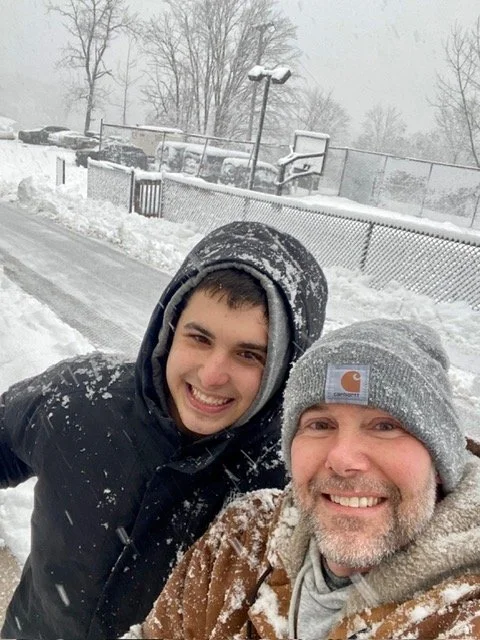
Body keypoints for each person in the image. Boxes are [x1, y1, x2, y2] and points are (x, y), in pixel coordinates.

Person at [0, 220, 328, 640]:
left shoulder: (290, 484)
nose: (211, 376)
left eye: (249, 354)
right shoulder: (79, 398)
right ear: (168, 330)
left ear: (285, 370)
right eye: (199, 338)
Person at [138, 319, 480, 640]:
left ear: (439, 459)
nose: (343, 459)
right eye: (320, 425)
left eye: (385, 426)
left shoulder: (466, 615)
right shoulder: (243, 538)